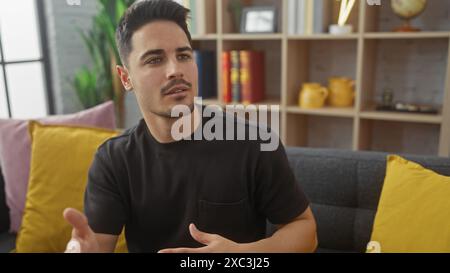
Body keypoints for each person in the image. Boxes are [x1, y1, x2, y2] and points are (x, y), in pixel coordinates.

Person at [63, 0, 317, 253]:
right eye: (154, 60)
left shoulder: (254, 143)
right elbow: (98, 245)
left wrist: (240, 255)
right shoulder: (113, 159)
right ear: (126, 77)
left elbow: (305, 231)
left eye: (183, 55)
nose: (175, 70)